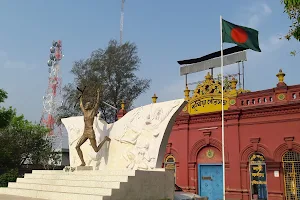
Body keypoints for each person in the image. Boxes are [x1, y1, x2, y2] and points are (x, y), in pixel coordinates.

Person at [75, 88, 111, 166]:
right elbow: (81, 104)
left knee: (96, 149)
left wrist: (98, 93)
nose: (86, 105)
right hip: (85, 133)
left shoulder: (92, 112)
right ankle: (83, 162)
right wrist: (81, 96)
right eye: (86, 104)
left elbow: (97, 103)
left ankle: (105, 139)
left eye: (87, 104)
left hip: (90, 132)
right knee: (77, 146)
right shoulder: (84, 112)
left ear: (90, 106)